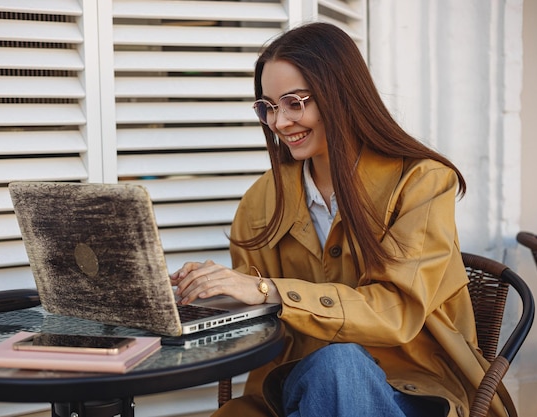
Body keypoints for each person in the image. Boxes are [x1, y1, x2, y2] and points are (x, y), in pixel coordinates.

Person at [171, 22, 510, 417]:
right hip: (293, 390)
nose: (280, 123)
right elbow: (256, 316)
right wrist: (204, 292)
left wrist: (268, 291)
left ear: (342, 95)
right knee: (331, 373)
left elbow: (397, 312)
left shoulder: (422, 183)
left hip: (413, 394)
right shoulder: (262, 199)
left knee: (339, 366)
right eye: (269, 107)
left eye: (296, 102)